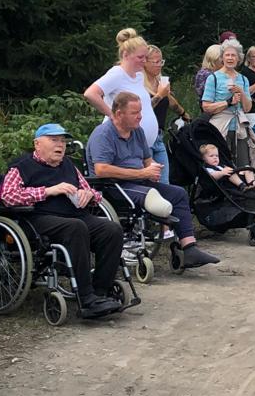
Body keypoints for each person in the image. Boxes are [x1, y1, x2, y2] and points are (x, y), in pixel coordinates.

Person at [0, 125, 125, 319]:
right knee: (76, 228)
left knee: (112, 229)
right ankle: (86, 298)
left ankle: (101, 292)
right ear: (37, 144)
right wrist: (48, 190)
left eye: (63, 141)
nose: (60, 145)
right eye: (54, 140)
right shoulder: (22, 166)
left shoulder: (69, 165)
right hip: (39, 218)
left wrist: (87, 194)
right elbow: (8, 196)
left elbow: (95, 194)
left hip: (75, 215)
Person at [86, 93, 217, 268]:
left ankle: (189, 247)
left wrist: (154, 168)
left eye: (140, 111)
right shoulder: (103, 134)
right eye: (135, 112)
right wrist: (142, 173)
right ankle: (163, 214)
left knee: (178, 193)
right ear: (118, 114)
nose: (140, 116)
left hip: (139, 182)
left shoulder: (137, 131)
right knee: (151, 194)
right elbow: (101, 170)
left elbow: (148, 160)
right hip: (112, 186)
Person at [83, 30, 164, 177]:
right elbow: (90, 93)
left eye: (146, 57)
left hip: (145, 143)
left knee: (165, 187)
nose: (144, 61)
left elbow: (143, 107)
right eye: (140, 57)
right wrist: (112, 115)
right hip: (126, 142)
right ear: (126, 55)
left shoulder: (139, 75)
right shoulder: (117, 74)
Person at [200, 41, 255, 170]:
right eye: (227, 55)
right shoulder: (213, 78)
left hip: (239, 125)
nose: (230, 58)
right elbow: (206, 107)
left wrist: (241, 92)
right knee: (220, 164)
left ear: (239, 59)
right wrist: (228, 102)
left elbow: (247, 108)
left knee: (243, 164)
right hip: (220, 125)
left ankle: (244, 187)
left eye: (233, 55)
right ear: (222, 57)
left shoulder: (243, 79)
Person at [139, 44, 181, 183]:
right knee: (151, 180)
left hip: (159, 135)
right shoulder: (139, 83)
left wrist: (183, 112)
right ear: (144, 62)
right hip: (144, 138)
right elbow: (142, 109)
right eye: (155, 62)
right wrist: (159, 95)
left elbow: (170, 100)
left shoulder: (159, 80)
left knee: (164, 180)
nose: (159, 65)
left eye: (161, 61)